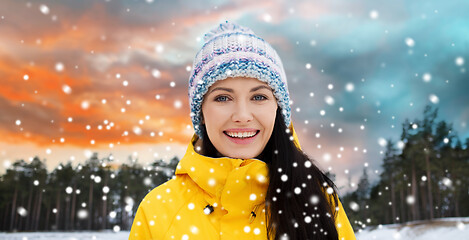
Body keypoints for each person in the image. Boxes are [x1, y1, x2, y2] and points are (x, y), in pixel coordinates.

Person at [129, 21, 356, 240]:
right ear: (201, 112)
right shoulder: (158, 210)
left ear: (278, 108)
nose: (242, 116)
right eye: (223, 98)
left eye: (259, 96)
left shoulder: (317, 199)